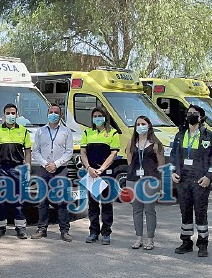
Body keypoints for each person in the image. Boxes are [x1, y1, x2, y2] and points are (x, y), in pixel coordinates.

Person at [171, 104, 212, 257]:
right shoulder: (180, 135)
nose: (191, 115)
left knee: (200, 213)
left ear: (201, 117)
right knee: (185, 212)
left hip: (200, 181)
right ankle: (186, 242)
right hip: (183, 180)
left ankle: (203, 244)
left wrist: (209, 177)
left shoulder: (208, 135)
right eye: (189, 113)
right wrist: (173, 172)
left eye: (195, 113)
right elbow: (173, 156)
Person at [31, 104, 74, 242]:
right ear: (47, 114)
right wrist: (46, 164)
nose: (53, 114)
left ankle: (64, 231)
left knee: (61, 201)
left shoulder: (66, 132)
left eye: (56, 112)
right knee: (42, 201)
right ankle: (42, 229)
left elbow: (69, 152)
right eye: (51, 112)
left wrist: (56, 164)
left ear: (61, 116)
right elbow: (35, 151)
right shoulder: (40, 131)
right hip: (44, 169)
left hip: (60, 169)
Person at [0, 103, 32, 239]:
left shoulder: (24, 131)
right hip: (1, 169)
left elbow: (28, 152)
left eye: (13, 113)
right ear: (4, 115)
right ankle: (0, 228)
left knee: (18, 200)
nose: (10, 116)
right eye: (8, 113)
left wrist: (28, 169)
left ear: (17, 115)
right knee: (1, 200)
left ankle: (20, 228)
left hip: (18, 169)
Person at [80, 107, 120, 245]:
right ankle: (93, 232)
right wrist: (89, 168)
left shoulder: (113, 133)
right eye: (95, 116)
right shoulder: (87, 132)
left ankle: (106, 233)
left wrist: (102, 169)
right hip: (91, 173)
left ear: (105, 117)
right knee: (93, 204)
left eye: (100, 115)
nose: (97, 118)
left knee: (107, 204)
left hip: (106, 174)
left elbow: (113, 153)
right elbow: (83, 152)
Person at [125, 116, 165, 250]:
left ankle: (150, 239)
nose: (140, 126)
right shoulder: (131, 142)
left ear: (149, 126)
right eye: (138, 124)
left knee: (149, 210)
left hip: (150, 180)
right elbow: (129, 161)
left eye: (143, 124)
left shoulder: (155, 144)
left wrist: (161, 184)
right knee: (136, 210)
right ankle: (138, 238)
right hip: (133, 180)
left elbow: (161, 165)